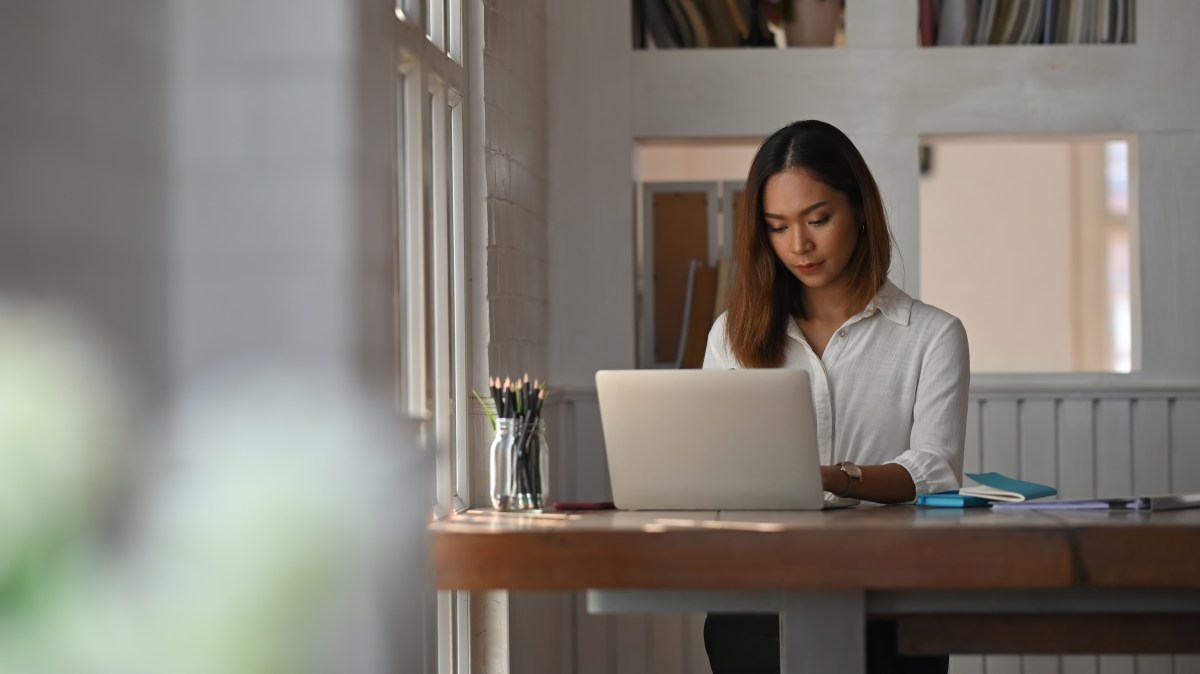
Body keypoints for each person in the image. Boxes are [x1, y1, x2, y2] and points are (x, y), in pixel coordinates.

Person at [701, 120, 970, 674]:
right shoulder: (732, 334)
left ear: (861, 209)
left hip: (892, 592)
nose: (799, 245)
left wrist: (829, 476)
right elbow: (713, 466)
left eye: (818, 220)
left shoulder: (932, 335)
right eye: (777, 227)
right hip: (757, 592)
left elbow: (935, 468)